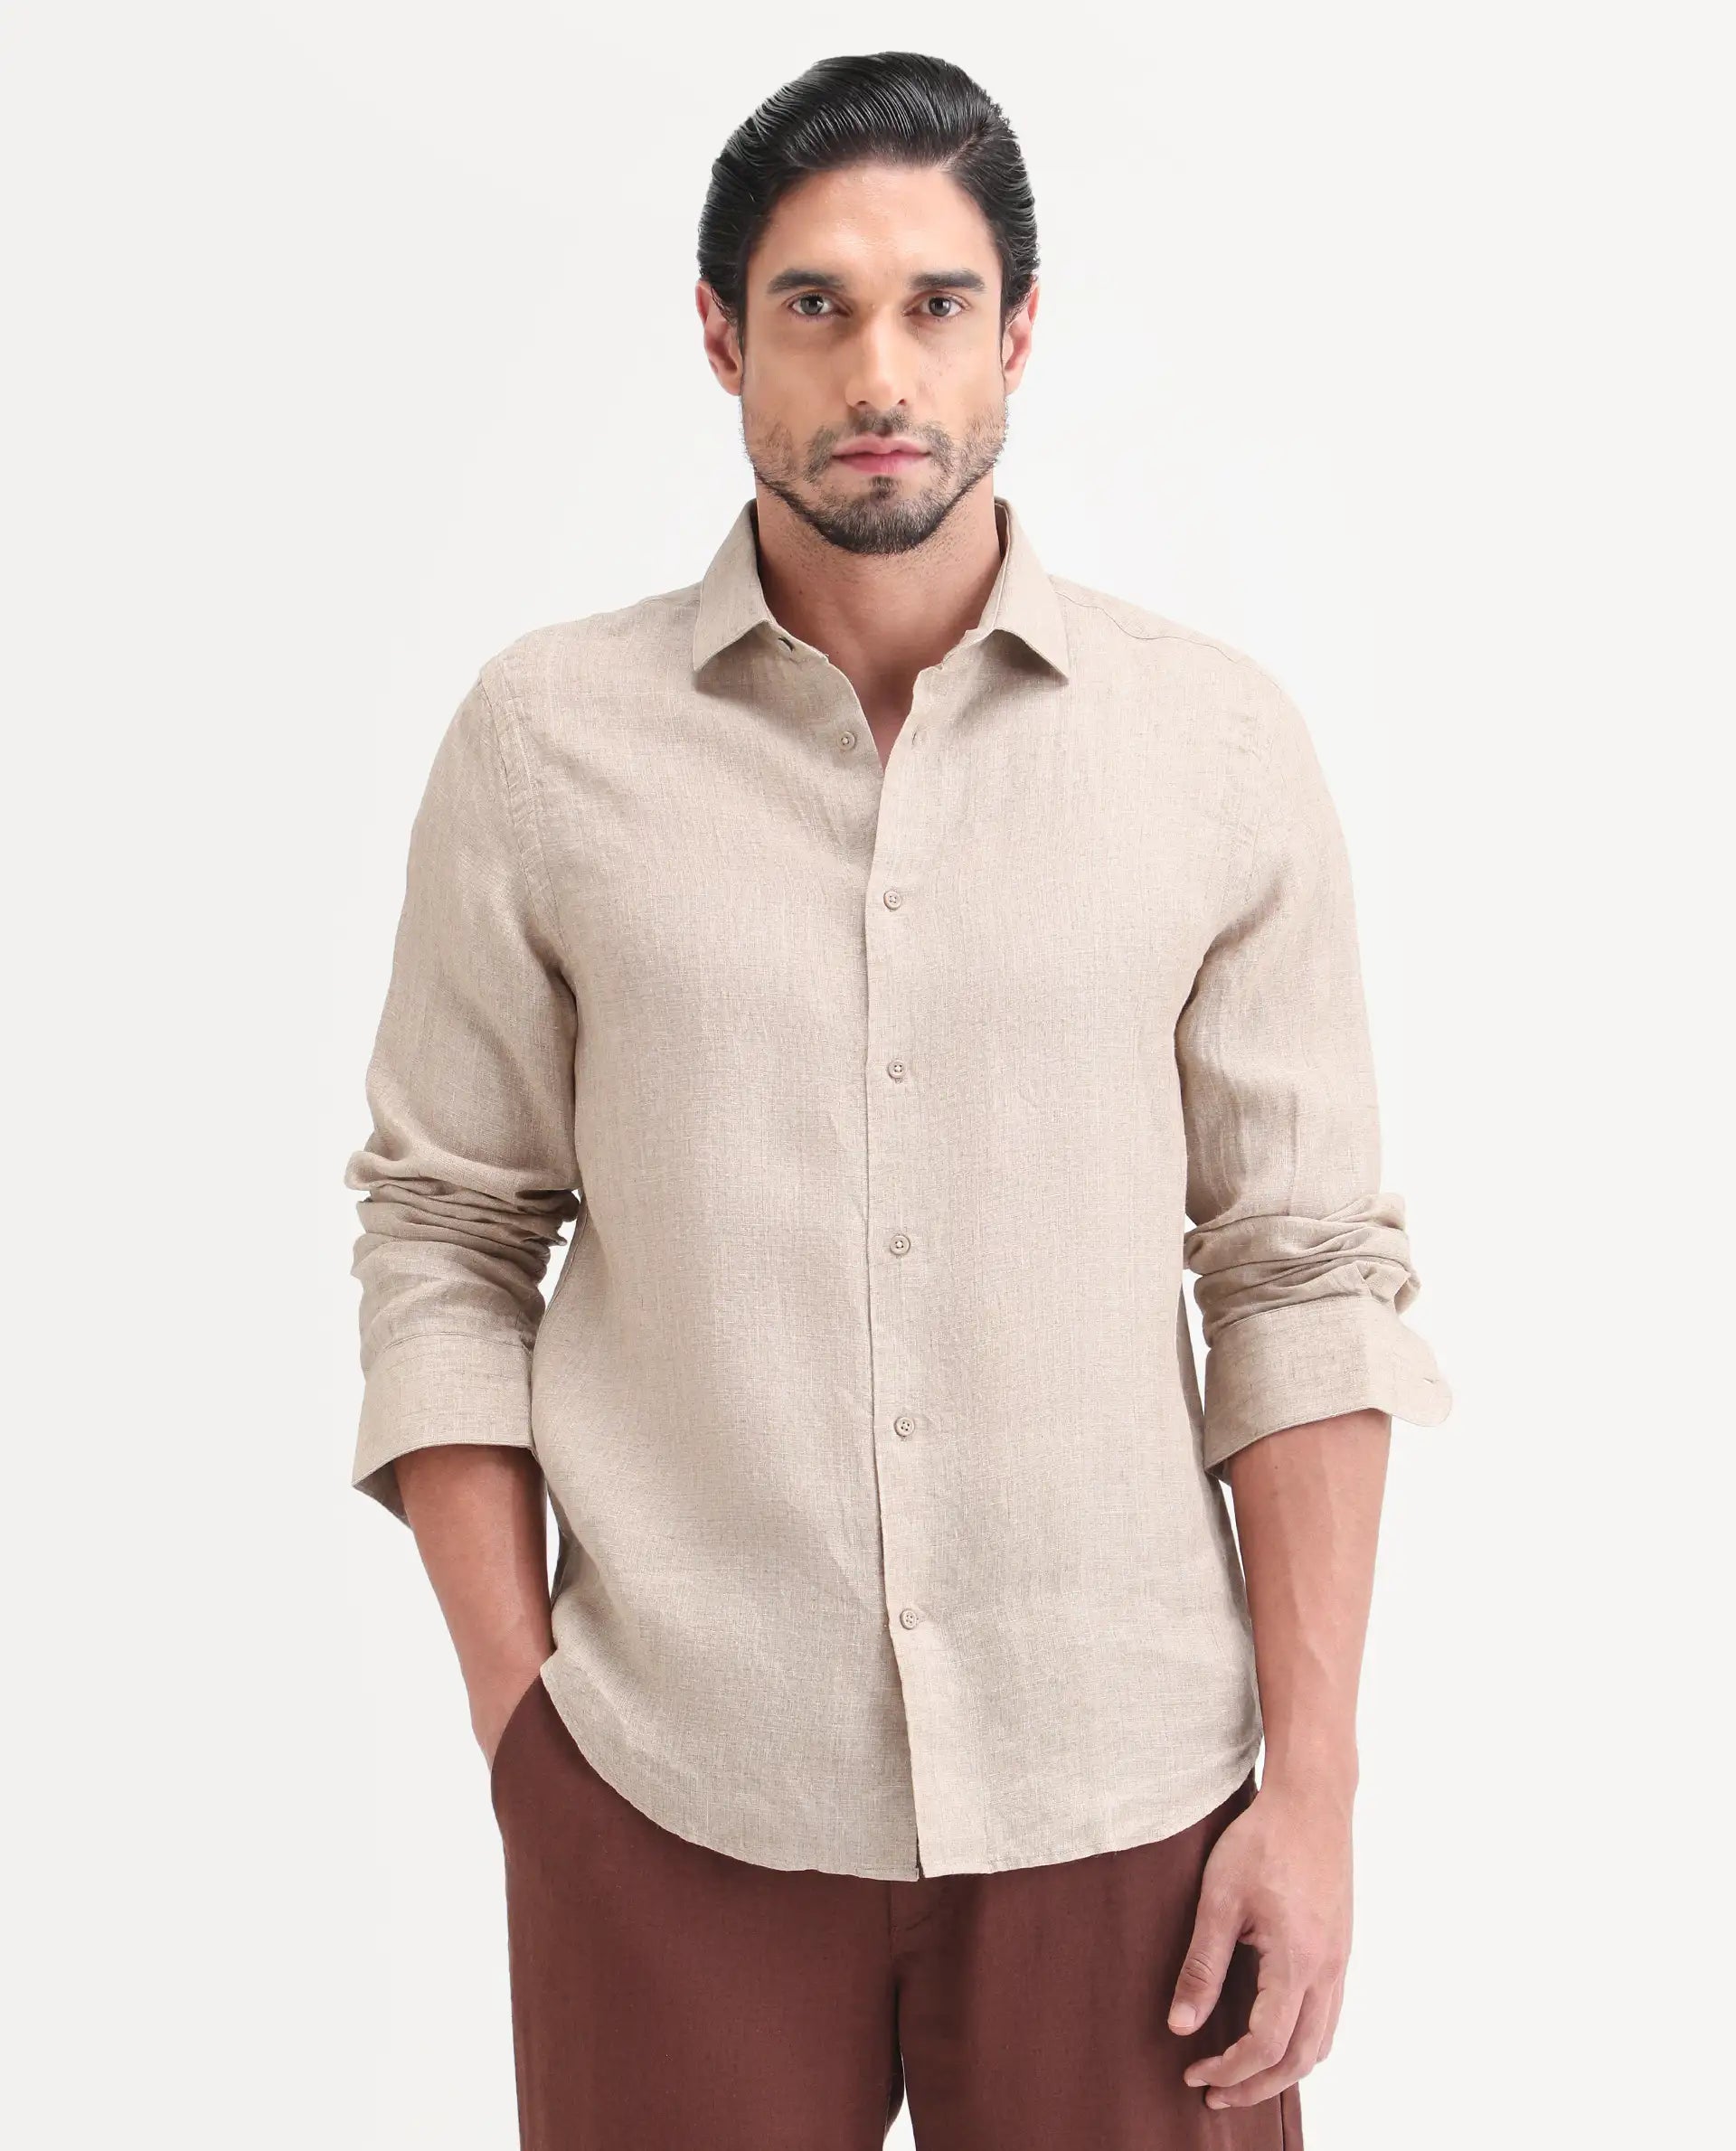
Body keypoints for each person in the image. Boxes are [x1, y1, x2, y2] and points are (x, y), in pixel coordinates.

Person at [342, 48, 1451, 2151]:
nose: (880, 370)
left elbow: (1302, 1267)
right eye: (817, 305)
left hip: (1130, 1799)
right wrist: (527, 1739)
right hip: (672, 1788)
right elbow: (448, 1227)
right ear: (719, 335)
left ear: (1016, 335)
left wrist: (1312, 1790)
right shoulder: (544, 743)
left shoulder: (1212, 748)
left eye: (938, 304)